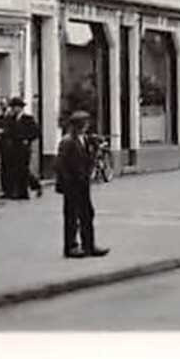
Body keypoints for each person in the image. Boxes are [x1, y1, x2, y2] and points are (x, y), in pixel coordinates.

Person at [55, 111, 108, 259]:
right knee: (72, 216)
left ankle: (89, 245)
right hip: (72, 184)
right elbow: (60, 164)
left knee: (87, 214)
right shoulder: (68, 141)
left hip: (83, 183)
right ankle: (71, 246)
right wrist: (66, 182)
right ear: (77, 125)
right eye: (84, 123)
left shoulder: (85, 139)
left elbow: (88, 160)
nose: (86, 126)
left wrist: (95, 149)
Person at [0, 96, 41, 200]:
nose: (13, 109)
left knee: (23, 169)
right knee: (14, 170)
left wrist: (27, 139)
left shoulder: (28, 119)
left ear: (20, 108)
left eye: (15, 107)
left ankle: (24, 191)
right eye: (12, 107)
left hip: (23, 148)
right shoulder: (11, 119)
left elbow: (36, 132)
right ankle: (14, 191)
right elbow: (9, 132)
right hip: (13, 148)